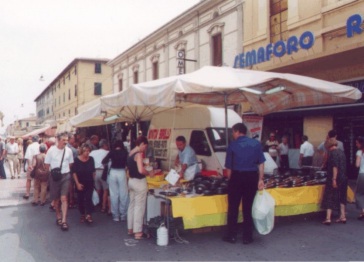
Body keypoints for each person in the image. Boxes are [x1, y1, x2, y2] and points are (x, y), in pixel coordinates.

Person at [222, 123, 265, 245]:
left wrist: (230, 180)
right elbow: (261, 164)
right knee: (248, 208)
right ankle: (247, 237)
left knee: (233, 208)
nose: (233, 135)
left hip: (237, 177)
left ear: (236, 131)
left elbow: (229, 168)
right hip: (252, 177)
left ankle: (232, 236)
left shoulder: (232, 145)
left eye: (233, 132)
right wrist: (260, 179)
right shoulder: (256, 144)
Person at [127, 136, 159, 239]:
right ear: (142, 144)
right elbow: (141, 170)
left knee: (132, 205)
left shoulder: (130, 153)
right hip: (139, 182)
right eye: (145, 147)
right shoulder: (139, 155)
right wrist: (149, 173)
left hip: (131, 181)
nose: (145, 149)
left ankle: (130, 228)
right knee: (139, 207)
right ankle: (138, 232)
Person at [44, 133, 74, 231]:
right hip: (54, 177)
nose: (65, 142)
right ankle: (58, 215)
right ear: (58, 140)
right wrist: (53, 173)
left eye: (67, 140)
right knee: (56, 199)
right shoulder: (51, 151)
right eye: (63, 140)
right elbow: (47, 165)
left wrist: (64, 171)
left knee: (64, 198)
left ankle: (64, 221)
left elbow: (71, 163)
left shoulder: (69, 151)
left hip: (65, 176)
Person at [321, 138, 347, 225]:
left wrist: (334, 179)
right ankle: (343, 216)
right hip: (344, 177)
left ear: (328, 146)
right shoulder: (341, 152)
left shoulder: (332, 153)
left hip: (334, 177)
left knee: (329, 196)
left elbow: (335, 166)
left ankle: (328, 218)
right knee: (342, 196)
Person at [102, 140, 128, 222]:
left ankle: (115, 215)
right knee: (123, 194)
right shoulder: (125, 152)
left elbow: (103, 161)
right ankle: (123, 214)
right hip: (122, 172)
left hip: (113, 172)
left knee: (113, 194)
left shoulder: (111, 152)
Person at [72, 143, 96, 224]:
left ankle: (89, 215)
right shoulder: (76, 160)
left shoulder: (91, 159)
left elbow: (93, 171)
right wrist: (77, 183)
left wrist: (94, 182)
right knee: (80, 199)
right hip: (80, 182)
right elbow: (74, 172)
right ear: (82, 151)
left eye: (88, 151)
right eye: (85, 151)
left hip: (89, 182)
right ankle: (82, 213)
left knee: (88, 198)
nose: (87, 152)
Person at [89, 138, 110, 214]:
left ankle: (95, 204)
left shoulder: (93, 152)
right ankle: (104, 207)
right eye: (107, 145)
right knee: (105, 190)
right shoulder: (107, 152)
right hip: (103, 171)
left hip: (94, 172)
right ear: (104, 145)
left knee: (97, 189)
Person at [67, 133, 78, 209]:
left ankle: (67, 200)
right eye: (73, 138)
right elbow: (76, 161)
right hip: (71, 170)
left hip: (64, 170)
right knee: (71, 185)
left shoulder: (63, 147)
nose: (74, 140)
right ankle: (71, 200)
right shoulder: (73, 150)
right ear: (70, 139)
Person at [355, 136, 364, 220]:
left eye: (357, 143)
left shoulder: (359, 152)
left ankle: (363, 211)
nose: (356, 144)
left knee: (359, 194)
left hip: (362, 174)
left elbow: (357, 165)